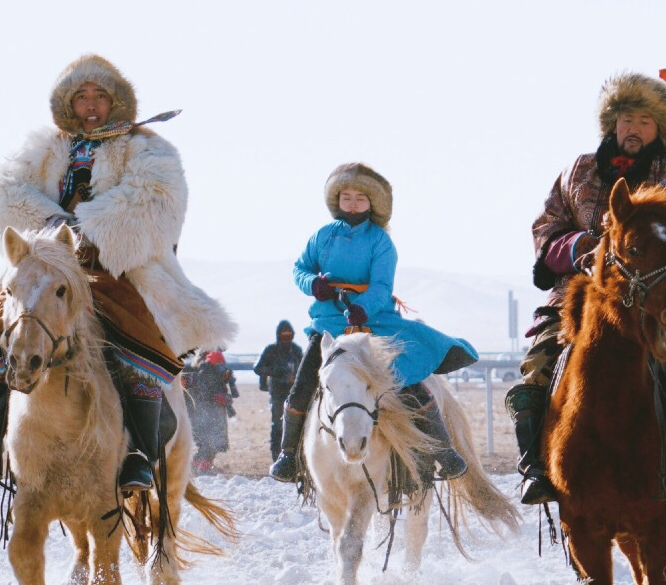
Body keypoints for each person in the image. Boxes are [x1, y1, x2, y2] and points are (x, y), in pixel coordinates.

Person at [0, 54, 233, 493]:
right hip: (49, 261)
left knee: (139, 332)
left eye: (100, 96)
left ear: (116, 102)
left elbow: (154, 201)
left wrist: (91, 229)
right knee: (5, 320)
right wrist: (53, 226)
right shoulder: (42, 148)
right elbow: (7, 191)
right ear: (67, 103)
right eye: (81, 97)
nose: (91, 104)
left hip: (114, 266)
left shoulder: (146, 148)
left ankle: (138, 454)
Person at [509, 71, 666, 507]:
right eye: (626, 118)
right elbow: (546, 226)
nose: (633, 129)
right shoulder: (580, 170)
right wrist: (578, 249)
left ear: (659, 131)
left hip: (652, 301)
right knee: (536, 369)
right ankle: (533, 468)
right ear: (613, 123)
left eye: (645, 121)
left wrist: (656, 276)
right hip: (575, 300)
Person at [269, 164, 479, 481]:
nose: (352, 203)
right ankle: (287, 456)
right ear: (337, 201)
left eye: (360, 198)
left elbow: (382, 287)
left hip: (373, 325)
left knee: (409, 383)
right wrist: (313, 284)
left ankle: (443, 450)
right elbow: (300, 269)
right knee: (301, 390)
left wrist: (362, 309)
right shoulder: (321, 237)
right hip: (327, 328)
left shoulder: (380, 241)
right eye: (346, 197)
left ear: (372, 204)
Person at [252, 322, 303, 459]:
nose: (286, 337)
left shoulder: (296, 350)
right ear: (278, 335)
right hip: (278, 393)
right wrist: (276, 372)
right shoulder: (271, 350)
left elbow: (304, 368)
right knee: (279, 425)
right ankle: (277, 457)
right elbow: (257, 368)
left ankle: (293, 456)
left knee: (296, 424)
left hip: (294, 393)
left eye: (289, 334)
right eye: (283, 334)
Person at [185, 349, 236, 470]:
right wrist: (216, 397)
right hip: (203, 411)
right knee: (208, 441)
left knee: (211, 442)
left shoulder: (214, 370)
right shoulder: (204, 370)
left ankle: (200, 464)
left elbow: (223, 389)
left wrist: (225, 398)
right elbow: (201, 392)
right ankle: (199, 465)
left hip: (213, 411)